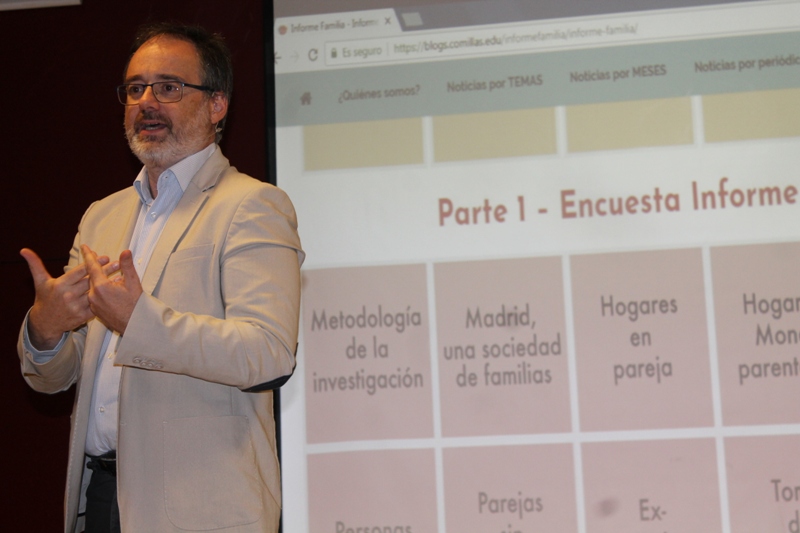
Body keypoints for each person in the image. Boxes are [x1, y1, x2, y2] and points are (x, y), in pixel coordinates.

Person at [17, 22, 303, 533]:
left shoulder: (252, 204)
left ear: (217, 104)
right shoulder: (101, 217)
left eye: (168, 87)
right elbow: (55, 377)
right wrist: (46, 329)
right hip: (99, 498)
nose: (146, 103)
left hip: (199, 511)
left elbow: (268, 353)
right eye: (135, 89)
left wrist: (140, 321)